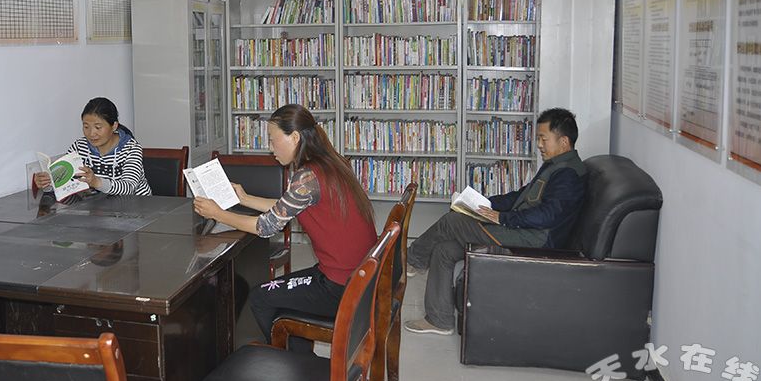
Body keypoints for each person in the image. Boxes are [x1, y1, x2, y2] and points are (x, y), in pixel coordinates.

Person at [193, 104, 377, 347]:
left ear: (295, 137)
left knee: (260, 297)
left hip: (342, 286)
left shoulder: (308, 177)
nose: (271, 148)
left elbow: (266, 226)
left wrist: (218, 214)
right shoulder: (328, 163)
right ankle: (299, 358)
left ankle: (291, 360)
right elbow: (286, 207)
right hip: (358, 276)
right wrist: (244, 198)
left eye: (273, 139)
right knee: (281, 299)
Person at [404, 107, 587, 336]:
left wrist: (503, 218)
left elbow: (548, 215)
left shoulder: (568, 174)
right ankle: (439, 320)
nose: (539, 145)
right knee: (444, 249)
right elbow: (521, 196)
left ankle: (410, 261)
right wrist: (486, 204)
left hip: (533, 240)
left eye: (544, 139)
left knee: (452, 221)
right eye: (538, 139)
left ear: (564, 141)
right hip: (523, 230)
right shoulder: (556, 165)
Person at [34, 97, 152, 197]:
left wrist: (96, 182)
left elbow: (129, 187)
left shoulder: (131, 149)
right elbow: (68, 183)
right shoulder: (79, 147)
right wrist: (48, 183)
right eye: (86, 127)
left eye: (98, 127)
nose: (91, 133)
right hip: (99, 209)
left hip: (136, 208)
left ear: (114, 126)